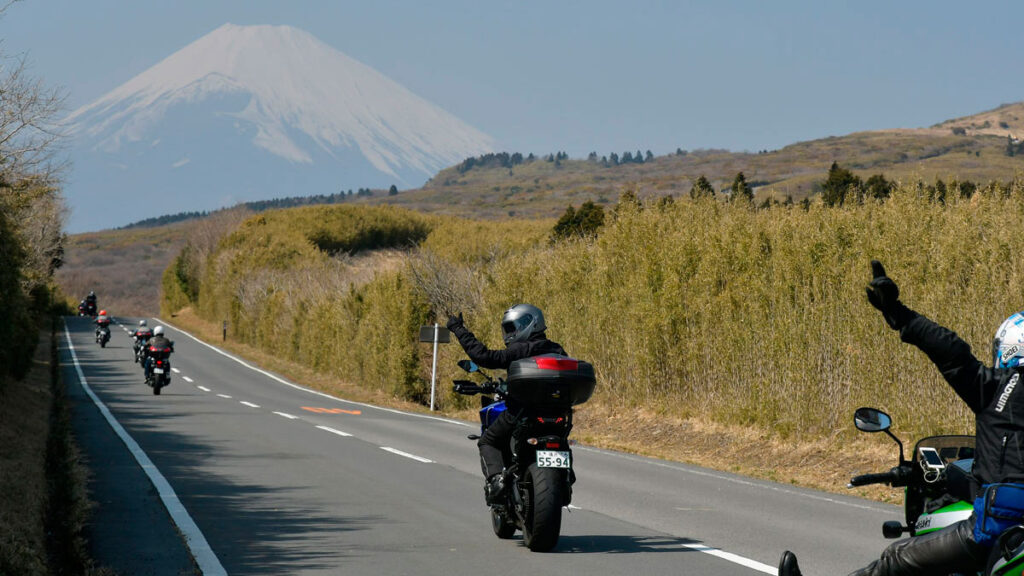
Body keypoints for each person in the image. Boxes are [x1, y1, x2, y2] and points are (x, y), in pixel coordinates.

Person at [779, 260, 1024, 576]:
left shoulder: (997, 389)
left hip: (998, 526)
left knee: (894, 560)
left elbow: (950, 352)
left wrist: (899, 314)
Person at [447, 303, 567, 504]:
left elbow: (483, 356)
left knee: (487, 440)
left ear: (529, 324)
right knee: (562, 441)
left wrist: (458, 329)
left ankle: (498, 482)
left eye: (512, 328)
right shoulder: (558, 350)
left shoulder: (521, 350)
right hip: (558, 415)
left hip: (522, 413)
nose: (509, 334)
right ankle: (564, 477)